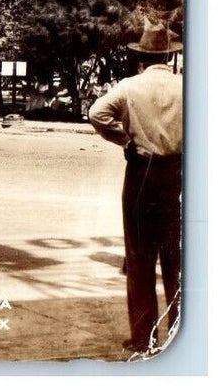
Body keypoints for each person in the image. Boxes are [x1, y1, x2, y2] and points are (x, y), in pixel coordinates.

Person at [88, 22, 183, 356]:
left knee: (140, 259)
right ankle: (178, 333)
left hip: (141, 174)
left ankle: (144, 337)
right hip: (177, 175)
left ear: (142, 57)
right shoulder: (187, 87)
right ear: (171, 55)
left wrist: (123, 138)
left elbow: (96, 113)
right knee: (177, 258)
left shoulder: (130, 86)